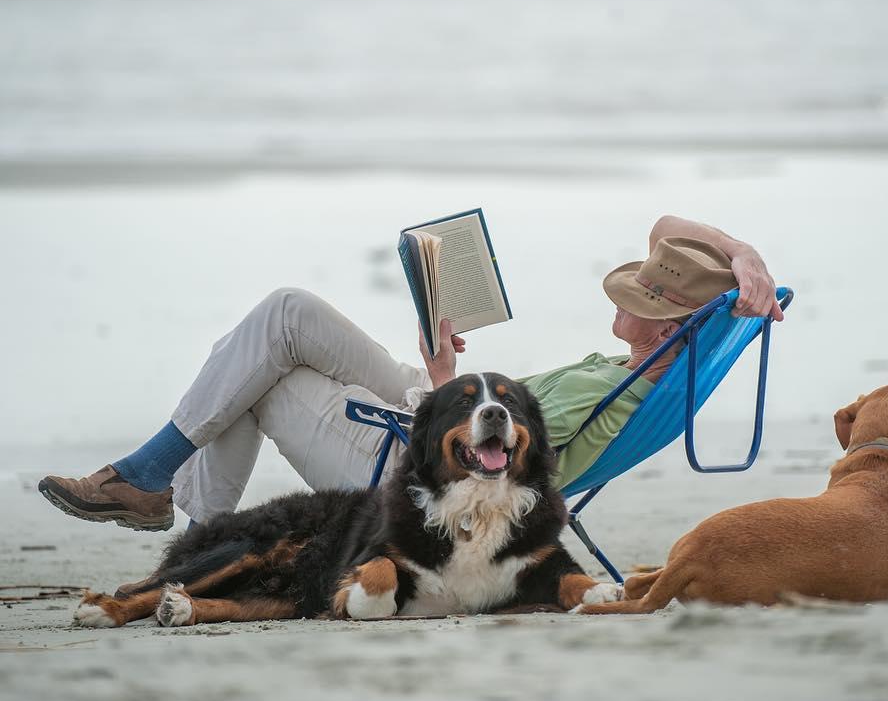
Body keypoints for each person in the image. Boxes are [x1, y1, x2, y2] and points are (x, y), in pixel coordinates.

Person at [38, 216, 782, 531]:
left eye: (639, 299)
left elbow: (476, 471)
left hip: (413, 455)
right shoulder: (642, 366)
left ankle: (178, 510)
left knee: (264, 377)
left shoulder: (609, 399)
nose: (619, 302)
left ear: (668, 324)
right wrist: (744, 255)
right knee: (285, 314)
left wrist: (435, 379)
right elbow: (666, 227)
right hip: (451, 406)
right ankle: (158, 486)